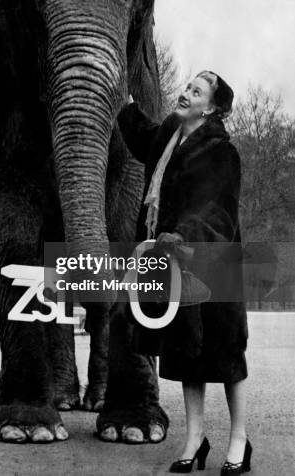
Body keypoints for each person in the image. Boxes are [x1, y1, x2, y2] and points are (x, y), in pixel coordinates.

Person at [118, 71, 251, 474]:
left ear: (210, 107)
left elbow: (219, 210)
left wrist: (182, 235)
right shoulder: (170, 138)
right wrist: (125, 104)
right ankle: (195, 438)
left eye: (196, 90)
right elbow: (142, 137)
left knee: (227, 356)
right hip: (174, 263)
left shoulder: (222, 152)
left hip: (213, 264)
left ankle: (239, 441)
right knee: (187, 352)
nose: (185, 92)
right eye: (187, 86)